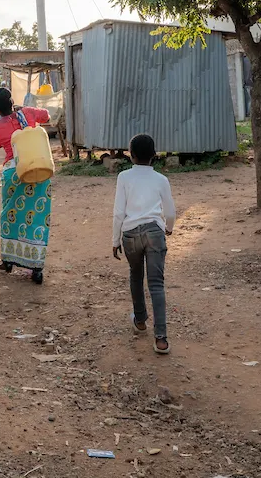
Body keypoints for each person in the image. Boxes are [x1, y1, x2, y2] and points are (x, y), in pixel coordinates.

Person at [111, 133, 176, 355]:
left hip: (130, 234)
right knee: (156, 284)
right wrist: (169, 228)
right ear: (154, 156)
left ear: (131, 155)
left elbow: (119, 212)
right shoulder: (161, 180)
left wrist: (115, 240)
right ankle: (161, 339)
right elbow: (170, 212)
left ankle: (140, 320)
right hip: (154, 232)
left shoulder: (123, 178)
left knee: (136, 275)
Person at [0, 87, 51, 284]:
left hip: (13, 173)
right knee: (38, 216)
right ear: (13, 102)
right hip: (38, 169)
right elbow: (47, 116)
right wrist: (24, 111)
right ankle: (36, 268)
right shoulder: (28, 113)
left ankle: (8, 260)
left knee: (10, 214)